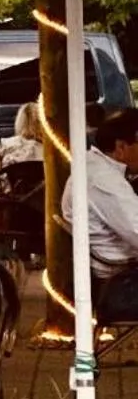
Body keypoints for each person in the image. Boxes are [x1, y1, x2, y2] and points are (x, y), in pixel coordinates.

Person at [68, 109, 138, 321]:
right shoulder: (104, 180)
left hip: (115, 276)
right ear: (121, 147)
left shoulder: (93, 166)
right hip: (120, 287)